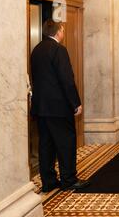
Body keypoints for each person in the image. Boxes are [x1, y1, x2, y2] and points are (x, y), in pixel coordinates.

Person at [30, 20, 90, 192]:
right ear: (58, 32)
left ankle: (48, 181)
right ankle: (69, 180)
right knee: (66, 143)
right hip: (58, 108)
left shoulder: (36, 50)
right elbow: (66, 79)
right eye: (63, 30)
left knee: (46, 144)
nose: (63, 33)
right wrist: (76, 103)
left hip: (41, 107)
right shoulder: (59, 50)